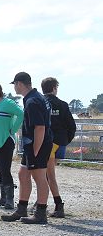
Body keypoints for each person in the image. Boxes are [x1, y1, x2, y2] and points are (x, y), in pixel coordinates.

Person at [1, 72, 53, 224]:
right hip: (32, 144)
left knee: (39, 177)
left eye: (15, 84)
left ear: (20, 84)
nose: (15, 87)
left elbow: (40, 127)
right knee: (23, 174)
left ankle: (41, 213)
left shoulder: (32, 101)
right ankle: (21, 208)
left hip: (38, 144)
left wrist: (36, 151)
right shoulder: (33, 98)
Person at [41, 77, 76, 218]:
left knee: (47, 175)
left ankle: (57, 205)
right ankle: (43, 203)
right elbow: (71, 127)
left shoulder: (40, 103)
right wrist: (64, 142)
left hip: (46, 143)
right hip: (58, 143)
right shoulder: (62, 104)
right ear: (54, 88)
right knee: (46, 175)